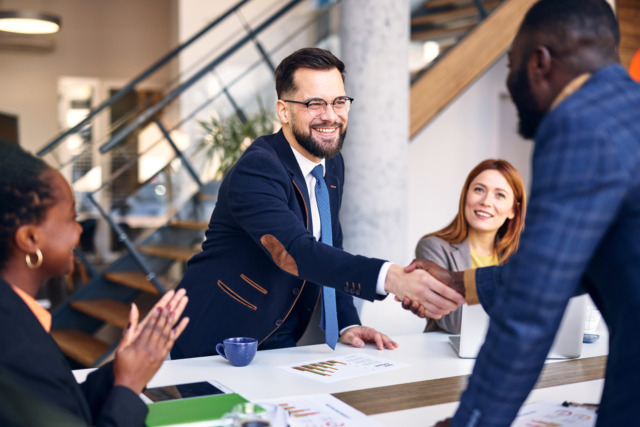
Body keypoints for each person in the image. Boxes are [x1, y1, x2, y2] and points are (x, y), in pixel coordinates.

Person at [404, 0, 640, 425]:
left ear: (539, 63)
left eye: (510, 66)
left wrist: (471, 421)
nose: (511, 84)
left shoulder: (580, 124)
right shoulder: (627, 112)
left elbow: (531, 309)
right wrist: (460, 281)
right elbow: (572, 263)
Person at [171, 47, 463, 359]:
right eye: (315, 104)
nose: (331, 116)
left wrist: (347, 324)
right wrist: (390, 278)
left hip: (279, 335)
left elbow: (328, 246)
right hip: (219, 337)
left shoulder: (331, 165)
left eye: (339, 102)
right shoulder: (257, 169)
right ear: (283, 111)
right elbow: (296, 251)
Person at [0, 142, 190, 426]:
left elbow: (63, 408)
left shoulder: (17, 316)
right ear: (30, 239)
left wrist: (122, 368)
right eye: (71, 219)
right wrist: (128, 384)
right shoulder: (15, 345)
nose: (79, 231)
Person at [415, 159, 526, 333]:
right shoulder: (433, 247)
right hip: (448, 356)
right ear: (466, 195)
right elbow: (455, 323)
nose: (486, 201)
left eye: (500, 195)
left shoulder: (520, 255)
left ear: (513, 210)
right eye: (479, 190)